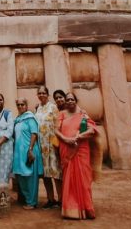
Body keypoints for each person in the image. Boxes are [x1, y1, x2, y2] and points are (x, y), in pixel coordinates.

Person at [55, 92, 97, 220]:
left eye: (72, 99)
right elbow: (56, 130)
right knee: (69, 179)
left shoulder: (83, 114)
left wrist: (79, 136)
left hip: (81, 150)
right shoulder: (61, 114)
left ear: (76, 100)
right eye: (67, 100)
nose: (69, 101)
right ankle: (71, 210)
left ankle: (86, 208)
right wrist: (66, 139)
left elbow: (92, 130)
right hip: (67, 149)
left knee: (83, 179)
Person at [13, 97, 43, 210]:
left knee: (30, 177)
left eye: (22, 104)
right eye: (18, 105)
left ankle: (32, 202)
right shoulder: (18, 119)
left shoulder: (30, 117)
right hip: (18, 153)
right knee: (20, 175)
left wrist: (30, 149)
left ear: (26, 105)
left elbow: (34, 134)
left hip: (29, 151)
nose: (20, 106)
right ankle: (27, 198)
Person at [35, 85, 62, 208]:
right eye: (39, 93)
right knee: (45, 174)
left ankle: (61, 199)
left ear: (47, 94)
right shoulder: (38, 109)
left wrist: (58, 144)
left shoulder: (53, 107)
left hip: (52, 145)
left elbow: (58, 126)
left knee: (56, 173)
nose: (41, 95)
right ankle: (51, 199)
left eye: (43, 93)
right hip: (41, 146)